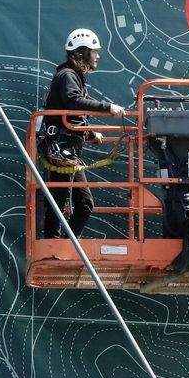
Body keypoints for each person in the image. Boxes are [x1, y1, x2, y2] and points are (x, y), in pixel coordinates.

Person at [38, 28, 126, 239]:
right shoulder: (68, 75)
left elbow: (70, 114)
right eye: (94, 51)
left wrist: (87, 133)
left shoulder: (72, 76)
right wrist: (108, 107)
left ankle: (66, 245)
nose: (98, 55)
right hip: (61, 151)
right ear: (82, 52)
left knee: (83, 203)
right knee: (61, 200)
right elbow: (73, 101)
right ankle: (54, 244)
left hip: (68, 151)